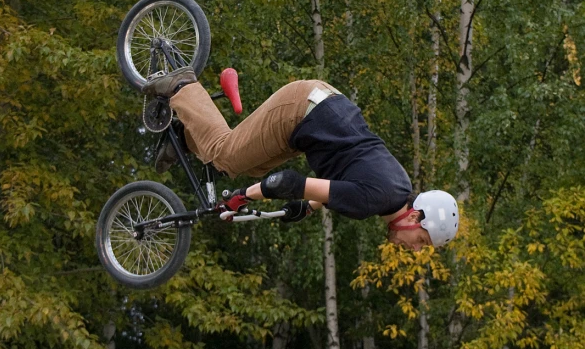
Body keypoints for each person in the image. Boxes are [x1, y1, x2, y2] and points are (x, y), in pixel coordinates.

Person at [146, 66, 459, 250]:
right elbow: (289, 182)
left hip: (317, 115)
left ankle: (185, 138)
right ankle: (182, 86)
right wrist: (243, 197)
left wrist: (307, 207)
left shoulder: (397, 188)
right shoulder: (374, 201)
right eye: (422, 241)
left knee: (249, 164)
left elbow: (344, 183)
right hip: (302, 112)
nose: (416, 249)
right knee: (228, 157)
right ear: (416, 218)